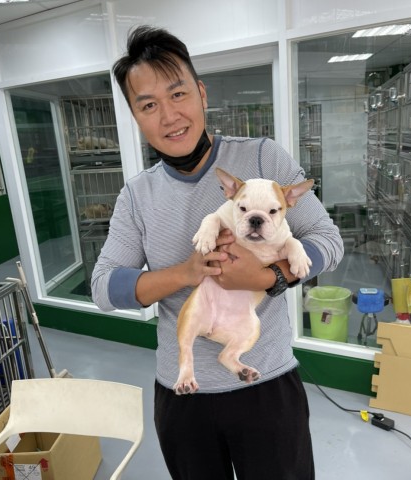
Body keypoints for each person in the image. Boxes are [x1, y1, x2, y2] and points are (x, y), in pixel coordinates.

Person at [92, 25, 344, 480]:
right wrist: (187, 272)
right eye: (148, 105)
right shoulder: (137, 196)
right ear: (135, 115)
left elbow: (328, 240)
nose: (169, 116)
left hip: (267, 382)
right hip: (183, 393)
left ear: (201, 93)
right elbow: (103, 288)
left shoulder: (264, 159)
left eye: (178, 94)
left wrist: (267, 278)